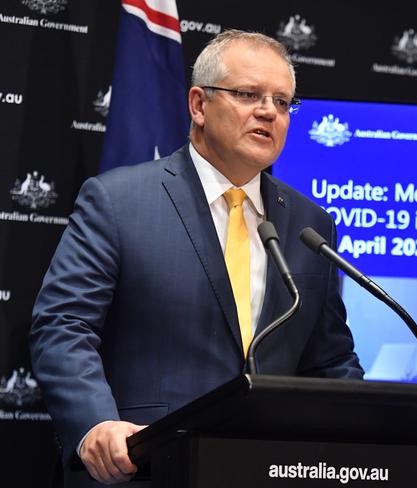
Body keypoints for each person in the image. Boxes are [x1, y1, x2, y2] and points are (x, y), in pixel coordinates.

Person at [30, 30, 363, 487]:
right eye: (249, 94)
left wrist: (370, 429)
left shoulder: (310, 224)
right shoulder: (119, 201)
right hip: (145, 468)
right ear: (199, 105)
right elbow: (63, 324)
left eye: (283, 102)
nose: (269, 111)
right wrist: (95, 424)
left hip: (269, 471)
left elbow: (329, 360)